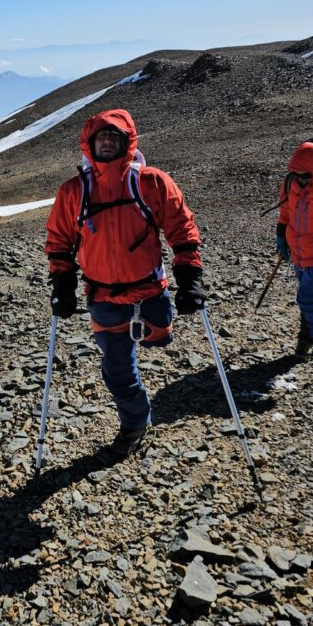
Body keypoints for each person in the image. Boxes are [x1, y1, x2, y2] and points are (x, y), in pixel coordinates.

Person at [45, 108, 206, 455]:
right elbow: (59, 242)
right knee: (117, 371)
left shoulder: (151, 182)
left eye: (114, 137)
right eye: (101, 137)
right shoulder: (74, 192)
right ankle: (135, 423)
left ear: (127, 142)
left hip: (150, 292)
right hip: (103, 299)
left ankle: (156, 333)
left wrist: (189, 274)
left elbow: (181, 228)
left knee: (159, 339)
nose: (106, 141)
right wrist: (62, 285)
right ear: (89, 144)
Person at [276, 140, 313, 359]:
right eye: (297, 174)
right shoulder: (291, 183)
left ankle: (306, 339)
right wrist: (281, 235)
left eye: (305, 175)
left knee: (306, 296)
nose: (300, 179)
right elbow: (286, 212)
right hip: (298, 251)